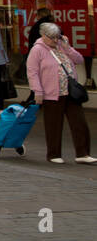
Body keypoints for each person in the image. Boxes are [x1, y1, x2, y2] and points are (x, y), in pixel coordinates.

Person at [26, 22, 95, 165]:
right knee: (53, 125)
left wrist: (67, 48)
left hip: (70, 92)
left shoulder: (62, 46)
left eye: (57, 37)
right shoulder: (37, 50)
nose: (55, 40)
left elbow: (79, 60)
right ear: (43, 35)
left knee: (79, 123)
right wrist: (37, 91)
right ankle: (53, 154)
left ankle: (82, 153)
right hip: (52, 93)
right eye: (52, 37)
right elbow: (32, 72)